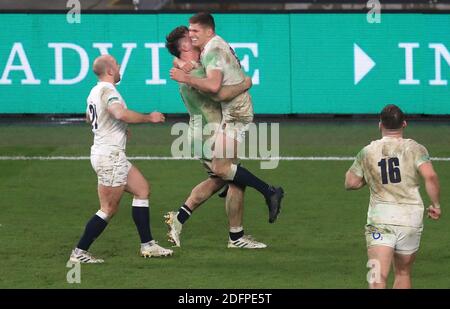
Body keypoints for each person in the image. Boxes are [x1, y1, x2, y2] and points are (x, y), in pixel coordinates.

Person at [169, 12, 284, 227]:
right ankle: (268, 193)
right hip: (210, 130)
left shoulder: (207, 54)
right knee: (226, 175)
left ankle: (186, 222)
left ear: (208, 31)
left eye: (194, 31)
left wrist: (186, 70)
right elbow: (218, 92)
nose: (192, 36)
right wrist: (245, 83)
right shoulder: (202, 61)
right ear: (184, 48)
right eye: (189, 34)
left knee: (228, 177)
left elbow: (210, 82)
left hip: (224, 119)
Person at [69, 55, 173, 263]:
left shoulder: (94, 91)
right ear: (109, 71)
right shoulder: (108, 91)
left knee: (142, 189)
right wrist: (148, 117)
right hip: (110, 156)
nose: (119, 68)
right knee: (108, 209)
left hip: (110, 154)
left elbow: (89, 117)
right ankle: (79, 253)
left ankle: (148, 245)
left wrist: (120, 130)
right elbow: (119, 113)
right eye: (116, 65)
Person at [345, 104, 441, 288]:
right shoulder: (416, 149)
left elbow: (351, 183)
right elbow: (430, 176)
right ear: (404, 124)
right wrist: (436, 205)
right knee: (403, 272)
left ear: (380, 124)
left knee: (378, 276)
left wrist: (370, 176)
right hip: (410, 220)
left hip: (381, 220)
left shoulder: (367, 151)